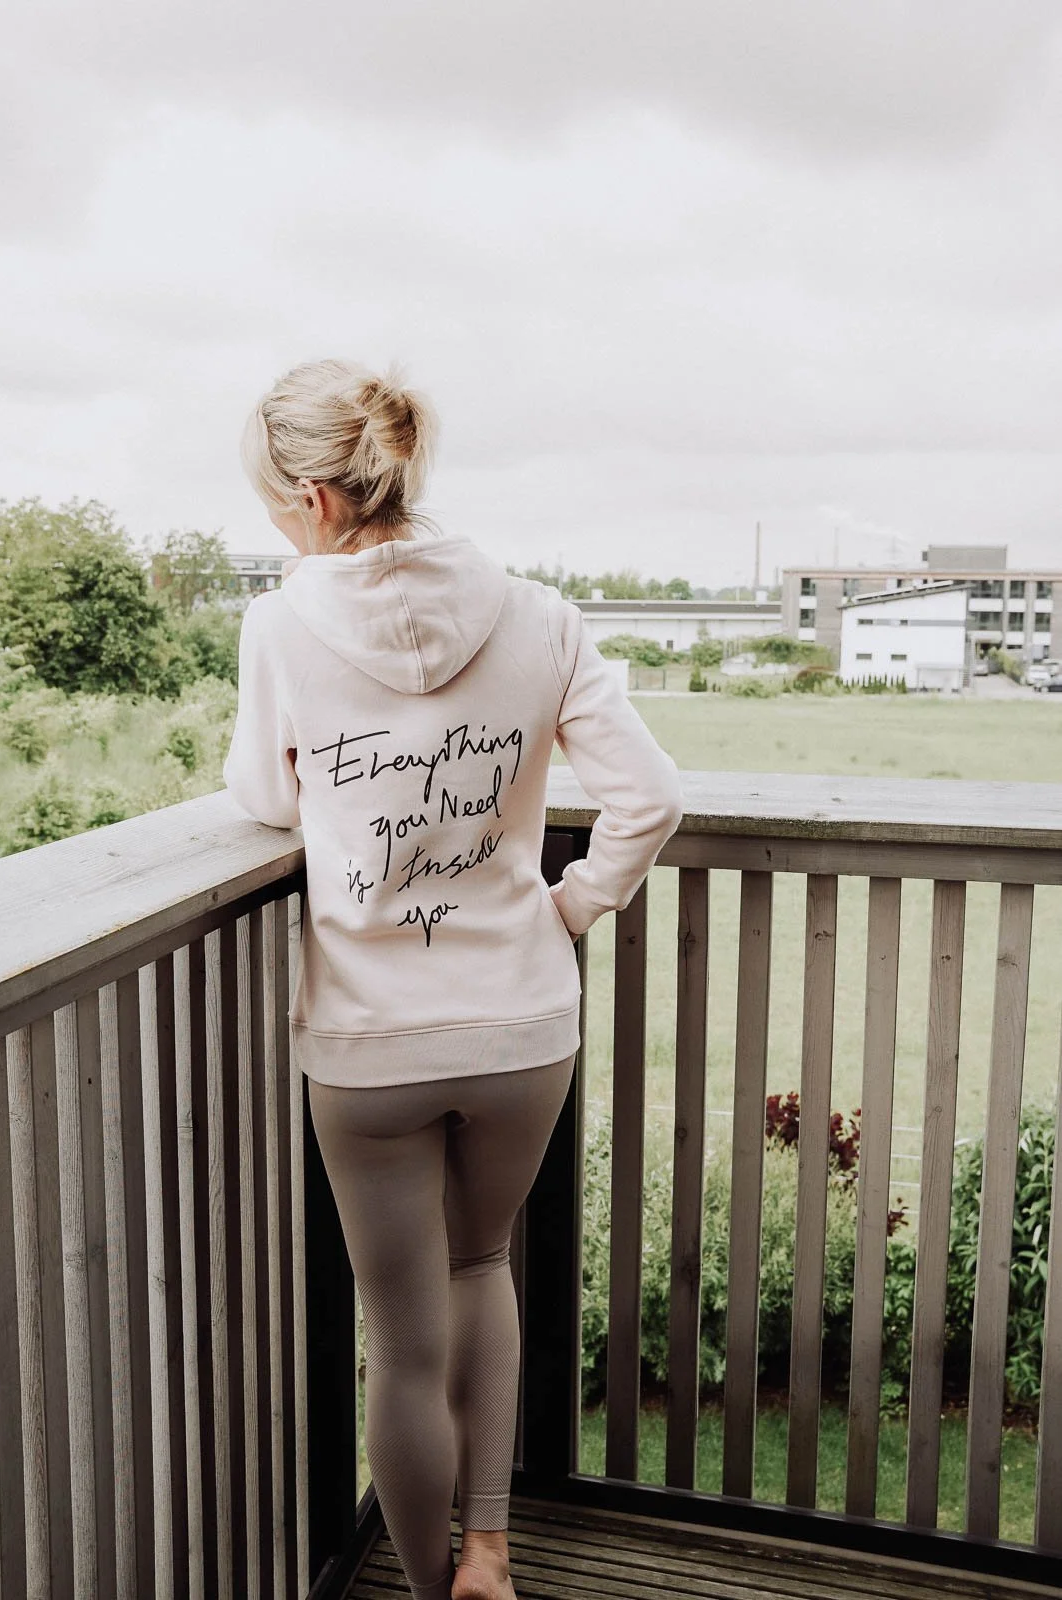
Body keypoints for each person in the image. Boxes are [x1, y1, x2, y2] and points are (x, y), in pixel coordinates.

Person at [223, 358, 684, 1600]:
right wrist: (571, 906)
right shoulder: (539, 614)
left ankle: (436, 1590)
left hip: (371, 1043)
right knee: (483, 1265)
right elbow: (649, 797)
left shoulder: (280, 624)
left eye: (273, 504)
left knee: (403, 1337)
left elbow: (264, 794)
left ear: (315, 499)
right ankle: (490, 1551)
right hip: (520, 1025)